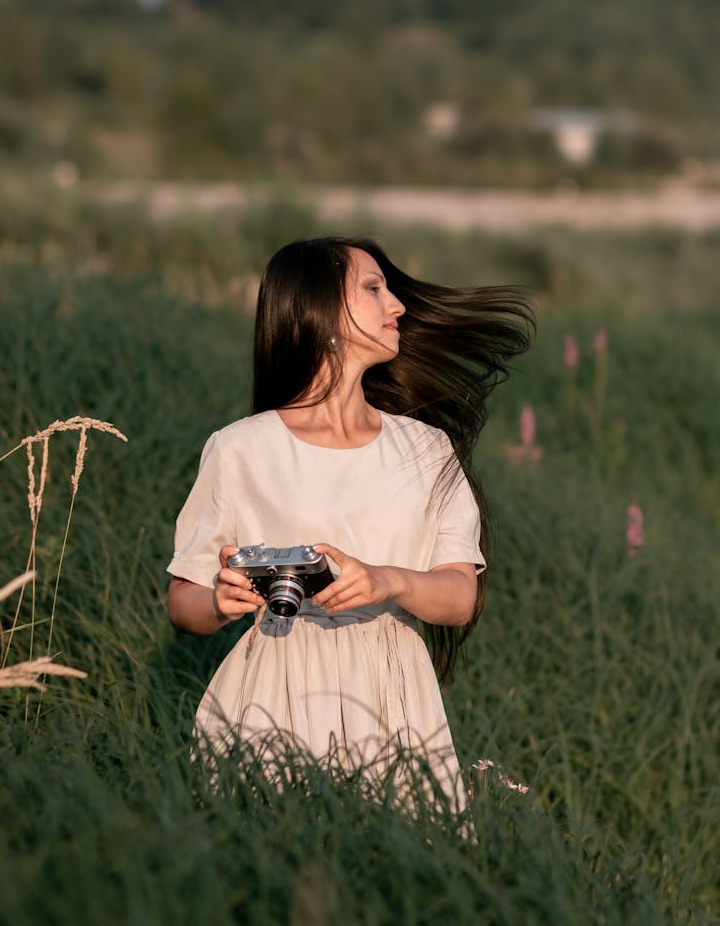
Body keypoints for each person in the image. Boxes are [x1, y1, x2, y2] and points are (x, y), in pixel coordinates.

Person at [166, 236, 533, 814]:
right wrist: (221, 598)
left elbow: (460, 596)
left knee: (399, 883)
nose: (398, 306)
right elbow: (182, 602)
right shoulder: (241, 448)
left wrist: (389, 581)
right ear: (322, 310)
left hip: (395, 697)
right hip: (270, 695)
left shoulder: (427, 449)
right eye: (373, 287)